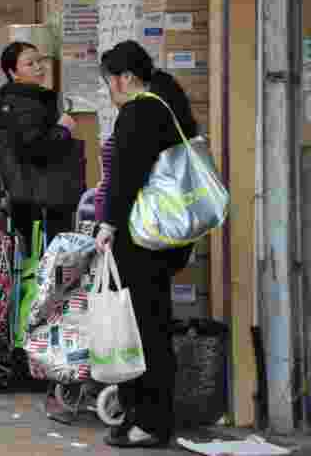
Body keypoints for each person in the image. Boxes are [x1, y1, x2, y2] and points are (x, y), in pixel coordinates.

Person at [94, 40, 197, 449]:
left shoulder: (140, 112)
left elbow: (125, 178)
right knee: (150, 323)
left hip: (141, 239)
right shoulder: (168, 102)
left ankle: (149, 421)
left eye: (110, 84)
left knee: (141, 329)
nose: (110, 93)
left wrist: (108, 225)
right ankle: (144, 416)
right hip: (165, 239)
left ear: (126, 78)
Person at [0, 41, 78, 246]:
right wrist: (63, 130)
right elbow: (35, 149)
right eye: (30, 64)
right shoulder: (24, 103)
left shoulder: (16, 100)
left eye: (40, 61)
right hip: (38, 198)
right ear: (13, 73)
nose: (39, 67)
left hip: (27, 195)